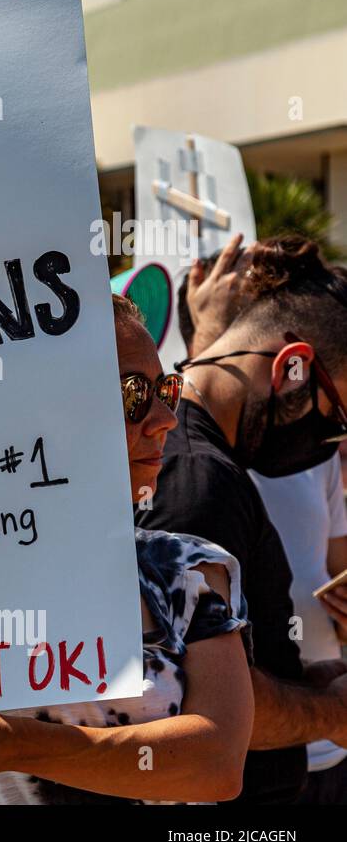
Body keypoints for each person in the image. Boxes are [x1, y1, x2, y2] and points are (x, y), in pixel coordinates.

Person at [0, 296, 254, 803]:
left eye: (166, 389)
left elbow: (216, 763)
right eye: (132, 394)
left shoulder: (186, 572)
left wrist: (17, 746)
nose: (165, 418)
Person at [134, 234, 347, 802]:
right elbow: (197, 702)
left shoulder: (195, 454)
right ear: (293, 370)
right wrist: (332, 711)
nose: (332, 443)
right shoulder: (199, 480)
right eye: (339, 417)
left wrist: (309, 679)